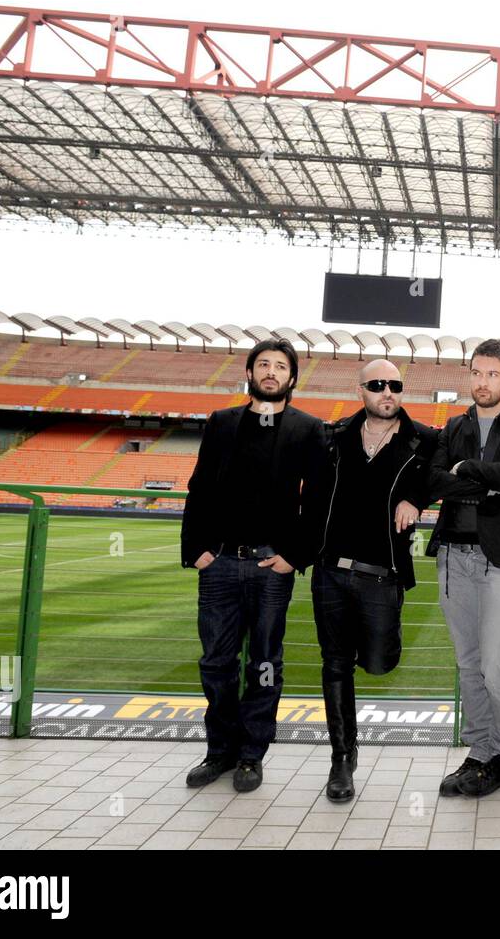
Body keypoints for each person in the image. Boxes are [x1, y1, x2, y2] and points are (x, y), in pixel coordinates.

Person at [180, 338, 325, 793]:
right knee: (216, 662)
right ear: (249, 373)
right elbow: (199, 488)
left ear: (291, 378)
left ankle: (251, 755)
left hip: (270, 567)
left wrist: (295, 557)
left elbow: (318, 501)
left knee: (264, 662)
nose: (270, 372)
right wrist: (196, 550)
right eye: (262, 364)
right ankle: (219, 750)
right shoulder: (222, 423)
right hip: (220, 562)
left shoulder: (307, 429)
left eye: (279, 366)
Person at [303, 358, 437, 802]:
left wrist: (417, 498)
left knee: (379, 662)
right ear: (360, 390)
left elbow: (449, 471)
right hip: (331, 572)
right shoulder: (332, 437)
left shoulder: (423, 441)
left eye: (394, 385)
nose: (387, 392)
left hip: (382, 576)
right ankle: (343, 758)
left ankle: (374, 648)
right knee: (335, 665)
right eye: (377, 384)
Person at [424, 339, 500, 798]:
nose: (483, 382)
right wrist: (480, 483)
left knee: (496, 664)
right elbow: (434, 481)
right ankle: (479, 750)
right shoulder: (453, 425)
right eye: (477, 373)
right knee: (469, 663)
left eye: (492, 374)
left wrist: (467, 471)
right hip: (455, 555)